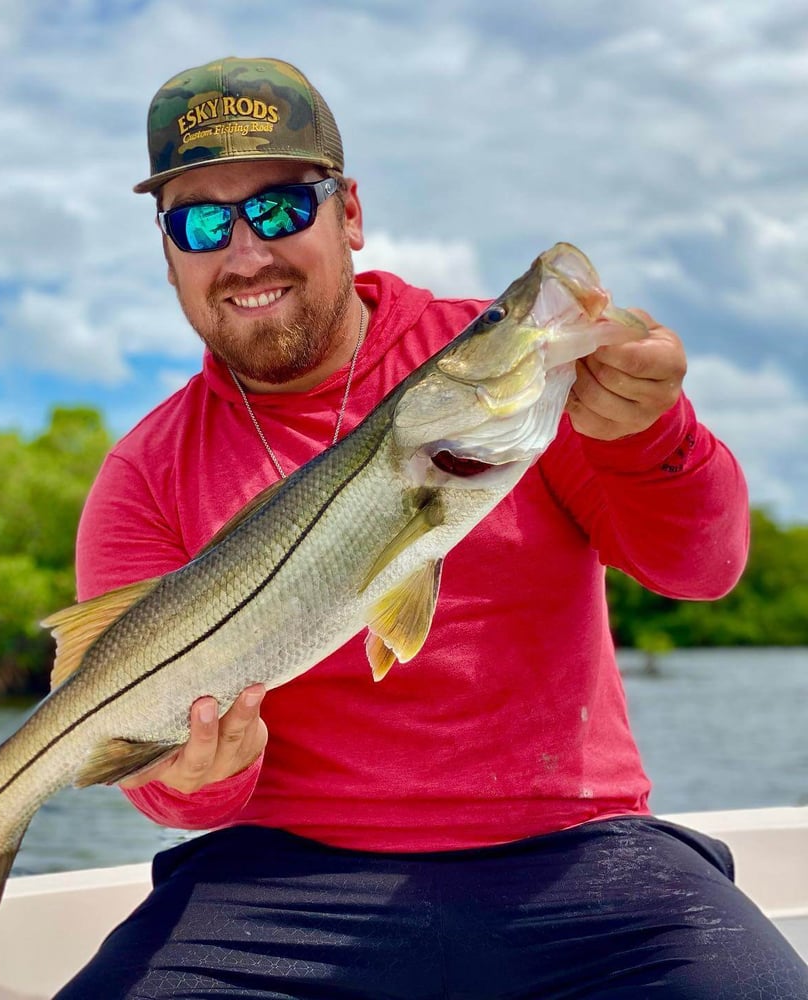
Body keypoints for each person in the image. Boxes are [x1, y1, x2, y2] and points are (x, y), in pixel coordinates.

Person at [56, 57, 808, 999]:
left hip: (580, 852)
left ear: (351, 213)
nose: (247, 253)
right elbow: (159, 789)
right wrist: (199, 779)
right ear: (169, 253)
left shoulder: (507, 373)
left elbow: (700, 569)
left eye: (283, 207)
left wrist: (653, 431)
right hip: (277, 876)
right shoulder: (142, 475)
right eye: (202, 221)